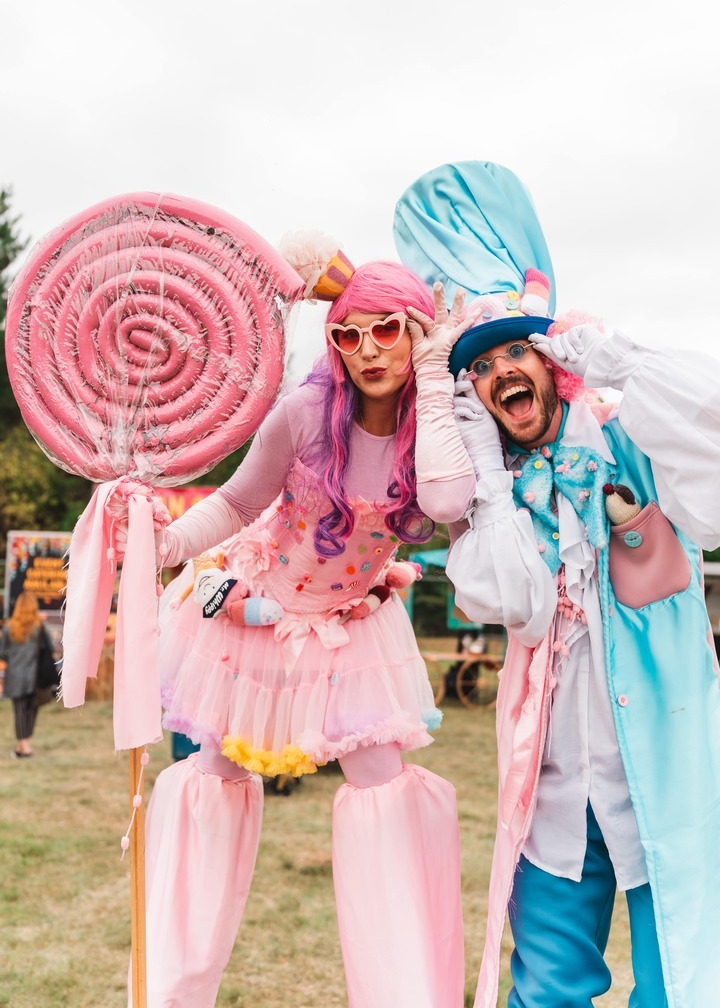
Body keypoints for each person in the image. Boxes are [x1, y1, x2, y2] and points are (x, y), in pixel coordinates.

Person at [394, 160, 720, 1008]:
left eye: (517, 350)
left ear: (551, 359)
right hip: (556, 793)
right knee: (545, 993)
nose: (503, 371)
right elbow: (520, 604)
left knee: (687, 985)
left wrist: (621, 362)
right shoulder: (487, 501)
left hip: (669, 774)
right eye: (482, 364)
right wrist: (492, 483)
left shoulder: (632, 438)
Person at [133, 238, 467, 1007]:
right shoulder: (306, 413)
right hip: (251, 618)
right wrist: (163, 544)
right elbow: (237, 503)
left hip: (350, 626)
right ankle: (168, 993)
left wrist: (437, 381)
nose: (366, 350)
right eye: (349, 334)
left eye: (387, 330)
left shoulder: (442, 421)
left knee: (384, 791)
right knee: (212, 780)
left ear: (419, 331)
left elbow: (448, 506)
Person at [0, 591, 57, 758]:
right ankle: (24, 745)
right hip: (35, 677)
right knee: (32, 709)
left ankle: (23, 745)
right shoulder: (38, 627)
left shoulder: (10, 627)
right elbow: (51, 649)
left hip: (15, 676)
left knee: (19, 710)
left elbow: (2, 653)